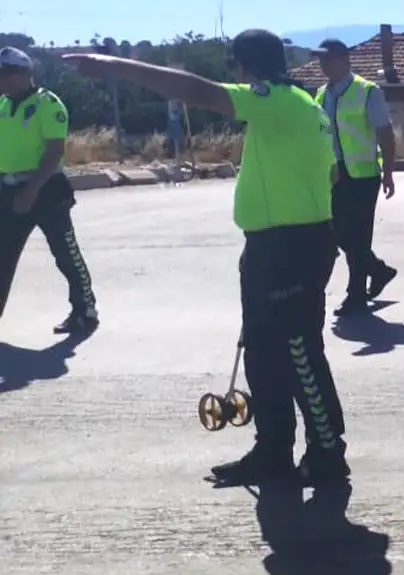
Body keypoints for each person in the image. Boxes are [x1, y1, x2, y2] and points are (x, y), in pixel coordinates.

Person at [65, 30, 350, 487]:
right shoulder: (302, 107)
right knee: (260, 354)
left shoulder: (275, 99)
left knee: (298, 352)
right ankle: (272, 451)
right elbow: (329, 174)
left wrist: (116, 67)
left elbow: (200, 92)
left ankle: (328, 453)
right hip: (277, 245)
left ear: (244, 66)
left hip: (288, 249)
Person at [0, 46, 100, 336]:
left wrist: (31, 189)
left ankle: (85, 310)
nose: (2, 80)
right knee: (3, 255)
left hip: (45, 189)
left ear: (24, 74)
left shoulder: (48, 104)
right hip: (8, 188)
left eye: (6, 74)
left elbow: (53, 152)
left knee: (65, 251)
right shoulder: (3, 106)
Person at [310, 38, 397, 316]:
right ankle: (378, 270)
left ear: (345, 59)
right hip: (334, 177)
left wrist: (389, 172)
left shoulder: (367, 91)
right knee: (338, 234)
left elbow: (385, 132)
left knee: (359, 237)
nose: (324, 64)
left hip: (363, 176)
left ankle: (356, 295)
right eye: (321, 59)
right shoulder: (321, 94)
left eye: (329, 58)